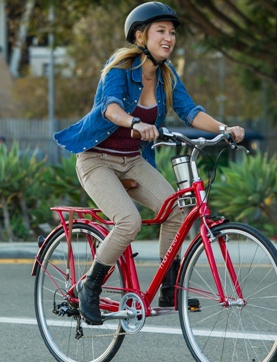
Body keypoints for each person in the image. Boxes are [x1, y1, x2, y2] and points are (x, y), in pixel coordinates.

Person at [54, 1, 245, 325]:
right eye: (161, 31)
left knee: (177, 212)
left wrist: (224, 129)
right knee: (129, 222)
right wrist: (134, 123)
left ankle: (169, 288)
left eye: (172, 32)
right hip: (97, 160)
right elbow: (109, 108)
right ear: (141, 36)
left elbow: (190, 111)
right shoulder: (120, 68)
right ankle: (90, 286)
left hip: (132, 160)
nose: (168, 37)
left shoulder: (167, 75)